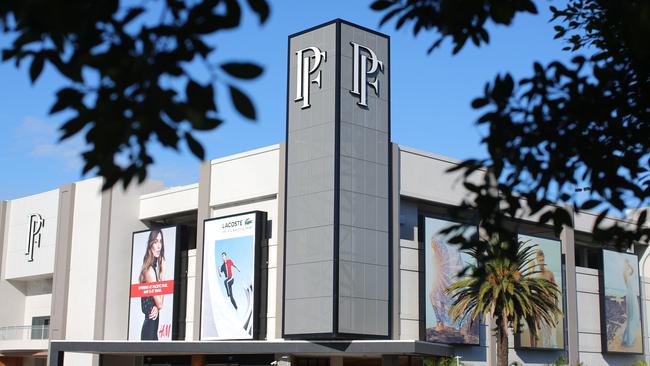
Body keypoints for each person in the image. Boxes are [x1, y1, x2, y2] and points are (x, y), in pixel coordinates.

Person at [139, 229, 166, 340]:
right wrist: (163, 273)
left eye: (160, 241)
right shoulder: (149, 270)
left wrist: (156, 307)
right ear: (150, 244)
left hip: (152, 327)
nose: (158, 246)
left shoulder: (152, 269)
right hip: (149, 329)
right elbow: (160, 304)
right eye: (155, 242)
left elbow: (158, 305)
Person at [622, 258, 640, 348]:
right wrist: (627, 266)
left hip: (632, 294)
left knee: (632, 316)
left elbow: (632, 270)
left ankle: (625, 339)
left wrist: (629, 265)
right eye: (626, 264)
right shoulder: (625, 274)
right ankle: (627, 340)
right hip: (630, 294)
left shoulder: (627, 273)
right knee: (630, 317)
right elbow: (627, 281)